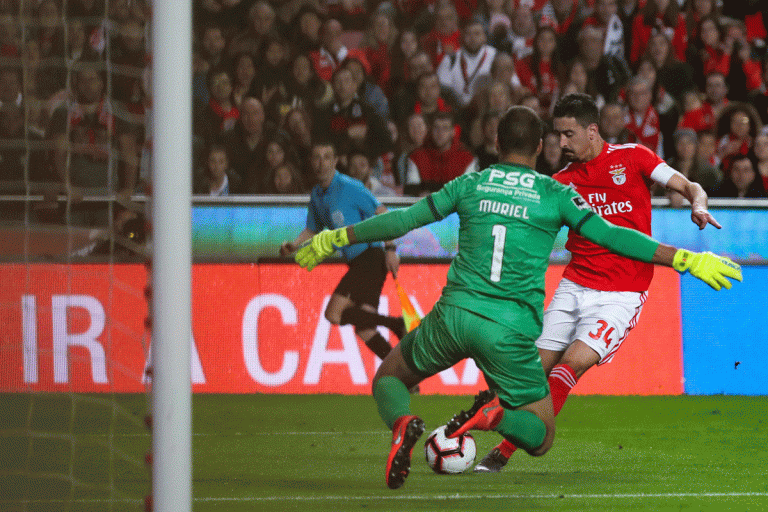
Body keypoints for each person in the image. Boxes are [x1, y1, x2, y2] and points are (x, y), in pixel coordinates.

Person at [293, 105, 741, 490]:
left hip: (453, 316)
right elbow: (615, 236)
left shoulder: (468, 186)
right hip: (509, 333)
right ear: (540, 145)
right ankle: (492, 416)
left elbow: (401, 222)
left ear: (495, 140)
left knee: (389, 379)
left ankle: (403, 423)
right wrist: (685, 258)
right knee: (541, 436)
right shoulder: (554, 193)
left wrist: (334, 238)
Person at [474, 93, 726, 473]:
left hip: (620, 295)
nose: (560, 143)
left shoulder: (634, 157)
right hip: (574, 285)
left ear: (592, 131)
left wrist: (699, 204)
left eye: (568, 134)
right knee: (529, 373)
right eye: (557, 135)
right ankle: (477, 422)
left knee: (569, 367)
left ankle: (504, 450)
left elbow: (689, 185)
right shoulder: (560, 183)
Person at [280, 140, 407, 364]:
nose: (321, 163)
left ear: (335, 161)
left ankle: (396, 324)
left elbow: (383, 212)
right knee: (364, 328)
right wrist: (295, 244)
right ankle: (404, 375)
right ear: (311, 162)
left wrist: (390, 249)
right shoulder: (317, 194)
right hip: (358, 261)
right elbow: (313, 228)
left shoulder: (350, 187)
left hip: (370, 256)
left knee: (333, 313)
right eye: (316, 158)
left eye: (326, 157)